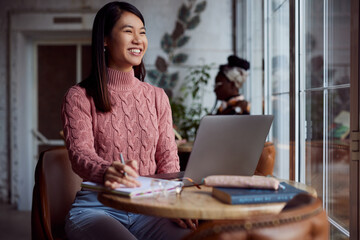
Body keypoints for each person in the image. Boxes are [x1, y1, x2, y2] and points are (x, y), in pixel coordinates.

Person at [61, 2, 196, 239]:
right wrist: (106, 170)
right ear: (104, 40)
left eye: (142, 32)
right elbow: (80, 155)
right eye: (128, 31)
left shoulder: (157, 96)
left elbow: (168, 159)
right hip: (98, 208)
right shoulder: (79, 96)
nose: (138, 39)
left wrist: (173, 201)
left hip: (151, 208)